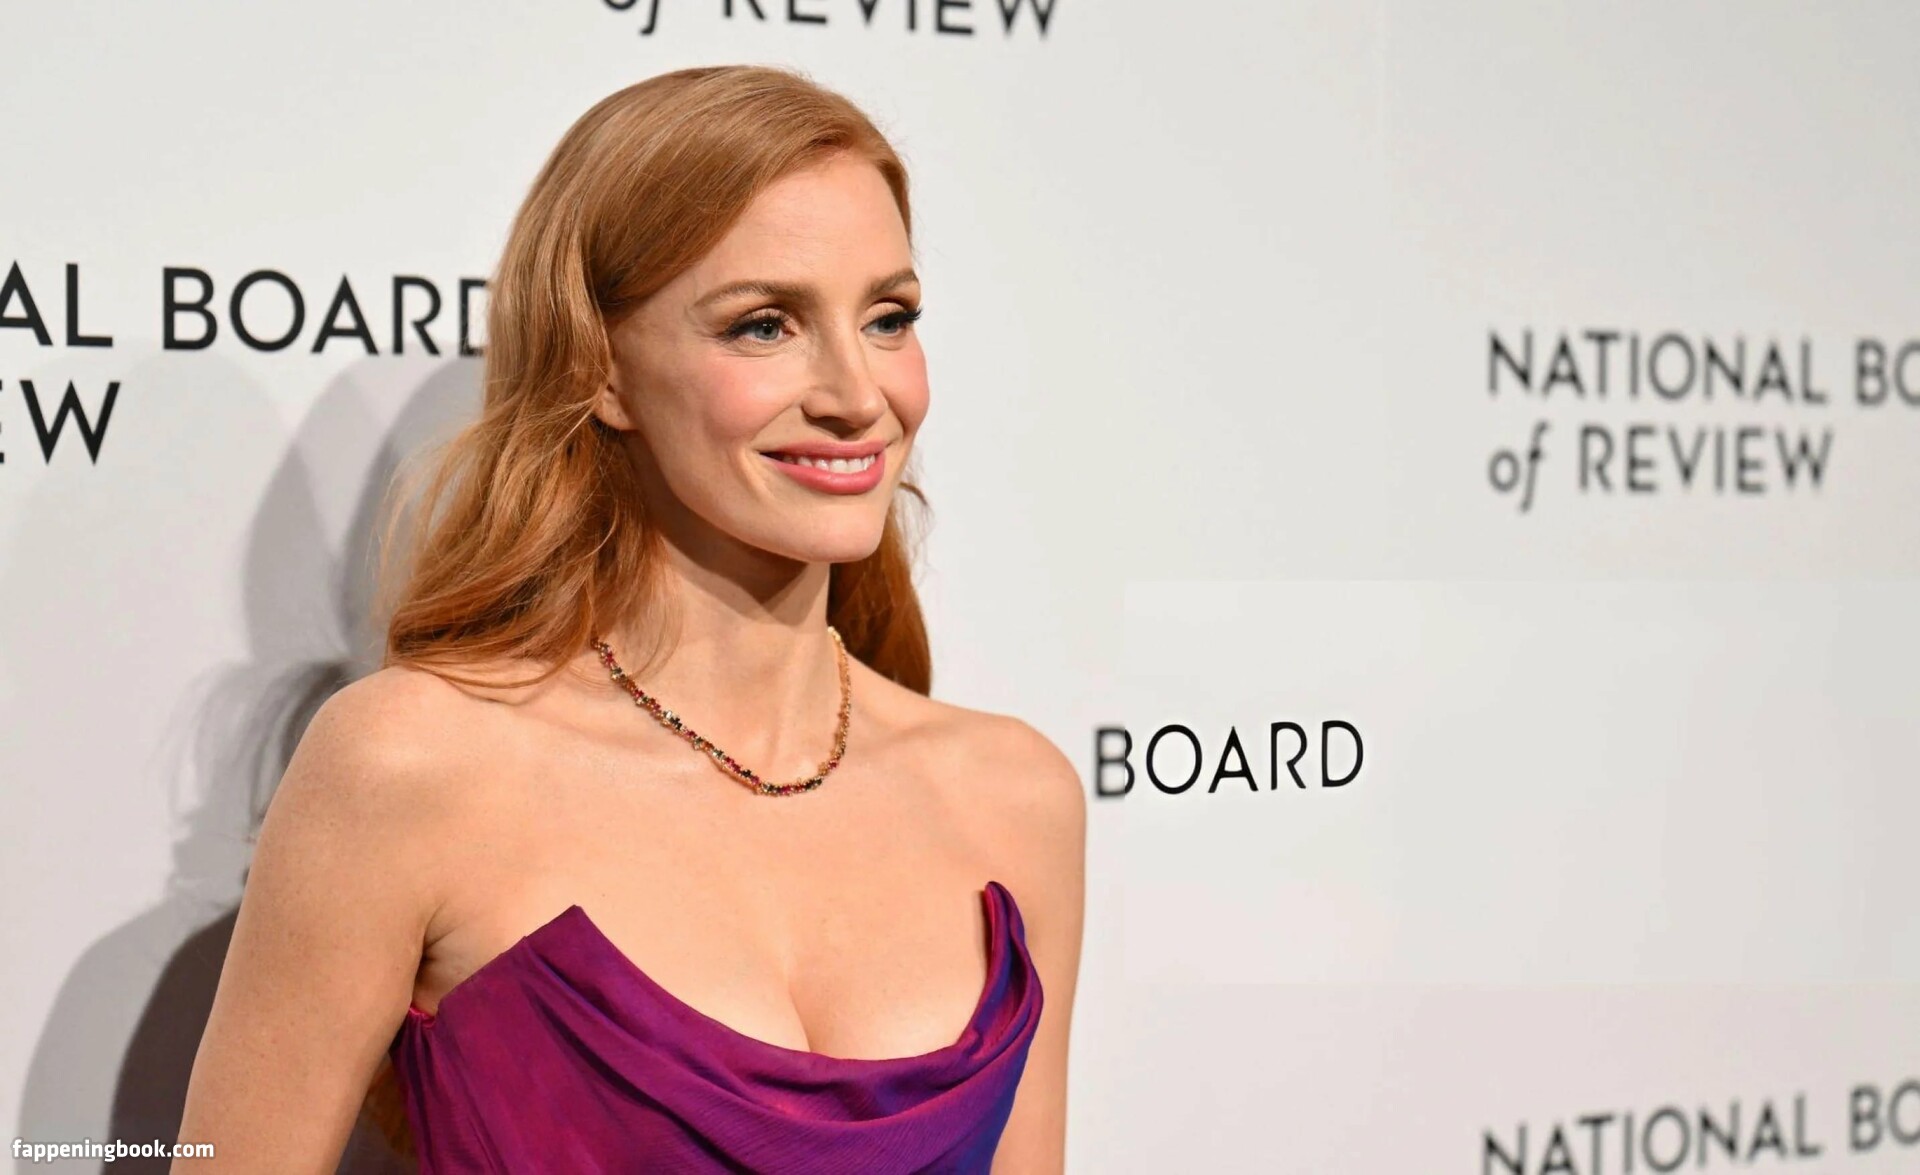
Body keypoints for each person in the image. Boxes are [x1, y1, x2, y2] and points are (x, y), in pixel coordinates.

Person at [173, 64, 1086, 1173]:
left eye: (888, 317)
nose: (859, 394)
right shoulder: (412, 767)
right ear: (599, 368)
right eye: (765, 325)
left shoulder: (1011, 797)